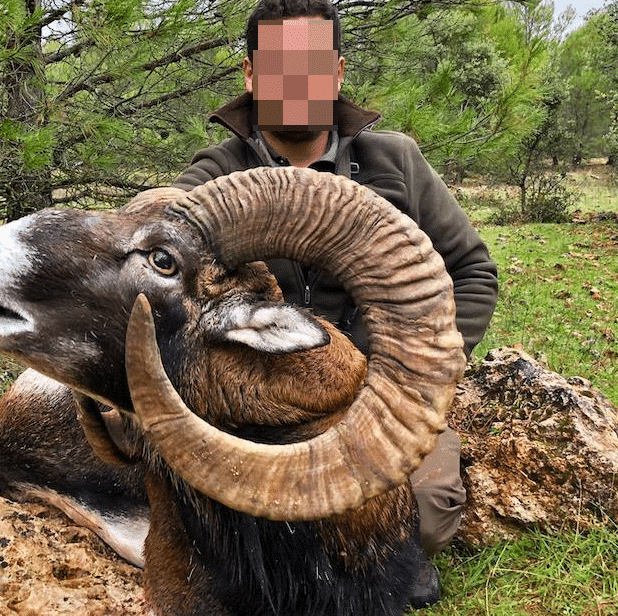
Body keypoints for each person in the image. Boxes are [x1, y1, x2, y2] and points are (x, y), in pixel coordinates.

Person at [172, 0, 499, 608]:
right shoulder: (214, 175)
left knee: (427, 513)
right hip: (258, 403)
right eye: (280, 65)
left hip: (382, 391)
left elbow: (472, 271)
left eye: (312, 65)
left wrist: (408, 366)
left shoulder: (394, 161)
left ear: (337, 72)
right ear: (252, 74)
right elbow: (163, 276)